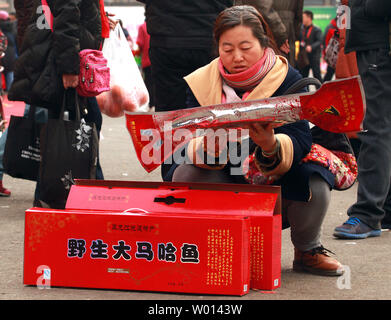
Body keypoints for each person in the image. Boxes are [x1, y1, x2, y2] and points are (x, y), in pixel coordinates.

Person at [169, 5, 345, 276]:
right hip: (228, 176)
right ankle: (206, 245)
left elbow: (301, 138)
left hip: (277, 182)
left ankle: (307, 250)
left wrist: (271, 145)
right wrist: (207, 149)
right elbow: (176, 148)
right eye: (227, 49)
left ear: (264, 45)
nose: (236, 57)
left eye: (245, 47)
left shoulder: (287, 78)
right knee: (185, 172)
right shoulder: (200, 83)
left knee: (316, 176)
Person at [8, 0, 112, 207]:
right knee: (82, 124)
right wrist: (70, 68)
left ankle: (58, 195)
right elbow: (67, 18)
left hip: (65, 57)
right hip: (67, 61)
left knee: (71, 127)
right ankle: (88, 193)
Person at [137, 0, 234, 180]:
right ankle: (220, 177)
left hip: (167, 36)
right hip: (210, 33)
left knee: (170, 115)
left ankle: (172, 179)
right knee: (215, 110)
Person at [334, 0, 391, 238]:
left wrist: (367, 8)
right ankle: (384, 209)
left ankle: (367, 213)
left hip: (379, 38)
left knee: (375, 127)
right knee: (382, 126)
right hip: (375, 36)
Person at [298, 10, 323, 82]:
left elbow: (319, 41)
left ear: (309, 18)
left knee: (317, 75)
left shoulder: (316, 29)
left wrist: (311, 47)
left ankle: (321, 91)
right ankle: (305, 91)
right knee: (303, 76)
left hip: (314, 56)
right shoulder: (301, 29)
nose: (302, 19)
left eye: (303, 17)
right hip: (304, 57)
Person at [136, 19, 154, 108]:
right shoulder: (159, 24)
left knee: (149, 83)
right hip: (159, 58)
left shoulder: (142, 27)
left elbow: (140, 43)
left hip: (147, 60)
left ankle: (151, 104)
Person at [0, 11, 17, 92]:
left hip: (2, 53)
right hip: (11, 53)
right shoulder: (12, 26)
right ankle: (10, 90)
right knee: (10, 72)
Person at [322, 16, 338, 82]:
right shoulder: (330, 28)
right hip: (332, 55)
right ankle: (323, 88)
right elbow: (324, 41)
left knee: (330, 74)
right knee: (329, 74)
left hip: (337, 55)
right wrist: (325, 53)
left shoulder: (337, 27)